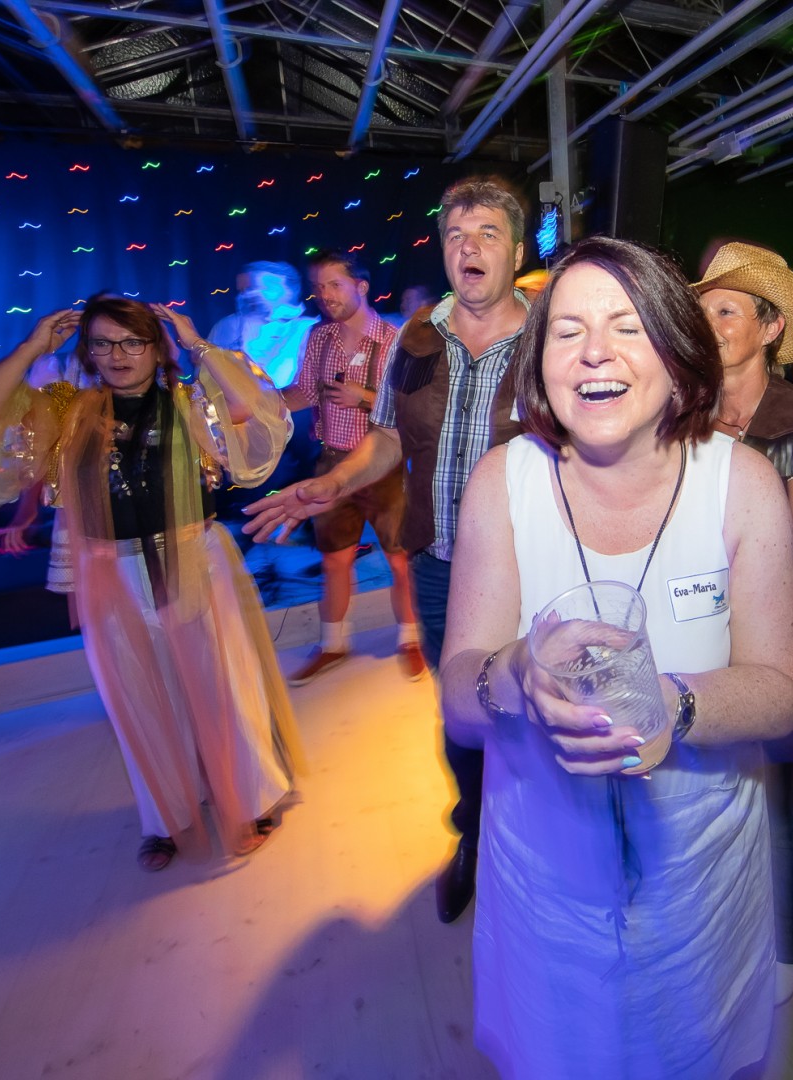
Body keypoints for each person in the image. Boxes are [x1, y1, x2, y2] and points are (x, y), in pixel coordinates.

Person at [438, 235, 793, 1079]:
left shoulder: (742, 483)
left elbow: (784, 690)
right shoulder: (503, 481)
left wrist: (674, 706)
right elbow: (457, 700)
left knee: (690, 1044)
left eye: (627, 327)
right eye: (567, 331)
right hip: (547, 864)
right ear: (540, 367)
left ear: (678, 357)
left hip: (698, 861)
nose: (594, 352)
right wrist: (516, 675)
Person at [0, 297, 303, 871]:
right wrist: (31, 348)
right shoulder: (64, 410)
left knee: (226, 684)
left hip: (196, 557)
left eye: (133, 341)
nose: (118, 355)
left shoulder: (189, 401)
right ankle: (167, 817)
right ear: (87, 351)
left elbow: (252, 406)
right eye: (102, 343)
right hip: (111, 571)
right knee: (139, 697)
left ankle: (250, 800)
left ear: (156, 347)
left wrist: (197, 344)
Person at [244, 176, 532, 924]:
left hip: (532, 567)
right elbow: (389, 438)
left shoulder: (552, 339)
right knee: (463, 712)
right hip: (438, 561)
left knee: (534, 706)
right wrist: (332, 482)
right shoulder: (416, 338)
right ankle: (475, 835)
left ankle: (537, 845)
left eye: (488, 233)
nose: (469, 248)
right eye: (456, 235)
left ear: (516, 250)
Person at [694, 241, 793, 1001]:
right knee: (699, 794)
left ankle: (791, 942)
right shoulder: (676, 409)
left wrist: (707, 572)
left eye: (725, 310)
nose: (708, 324)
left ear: (769, 327)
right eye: (700, 311)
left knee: (774, 794)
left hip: (770, 642)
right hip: (689, 640)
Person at [279, 249, 424, 685]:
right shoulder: (318, 337)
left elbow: (415, 406)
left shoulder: (395, 338)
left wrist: (363, 397)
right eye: (319, 287)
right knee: (334, 561)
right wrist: (257, 403)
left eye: (334, 285)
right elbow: (304, 393)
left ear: (361, 287)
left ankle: (411, 641)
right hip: (332, 463)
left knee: (400, 561)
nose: (325, 294)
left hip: (385, 464)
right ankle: (333, 645)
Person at [206, 261, 317, 390]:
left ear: (289, 290)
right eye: (243, 290)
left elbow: (306, 387)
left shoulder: (309, 329)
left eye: (260, 288)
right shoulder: (228, 326)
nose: (249, 295)